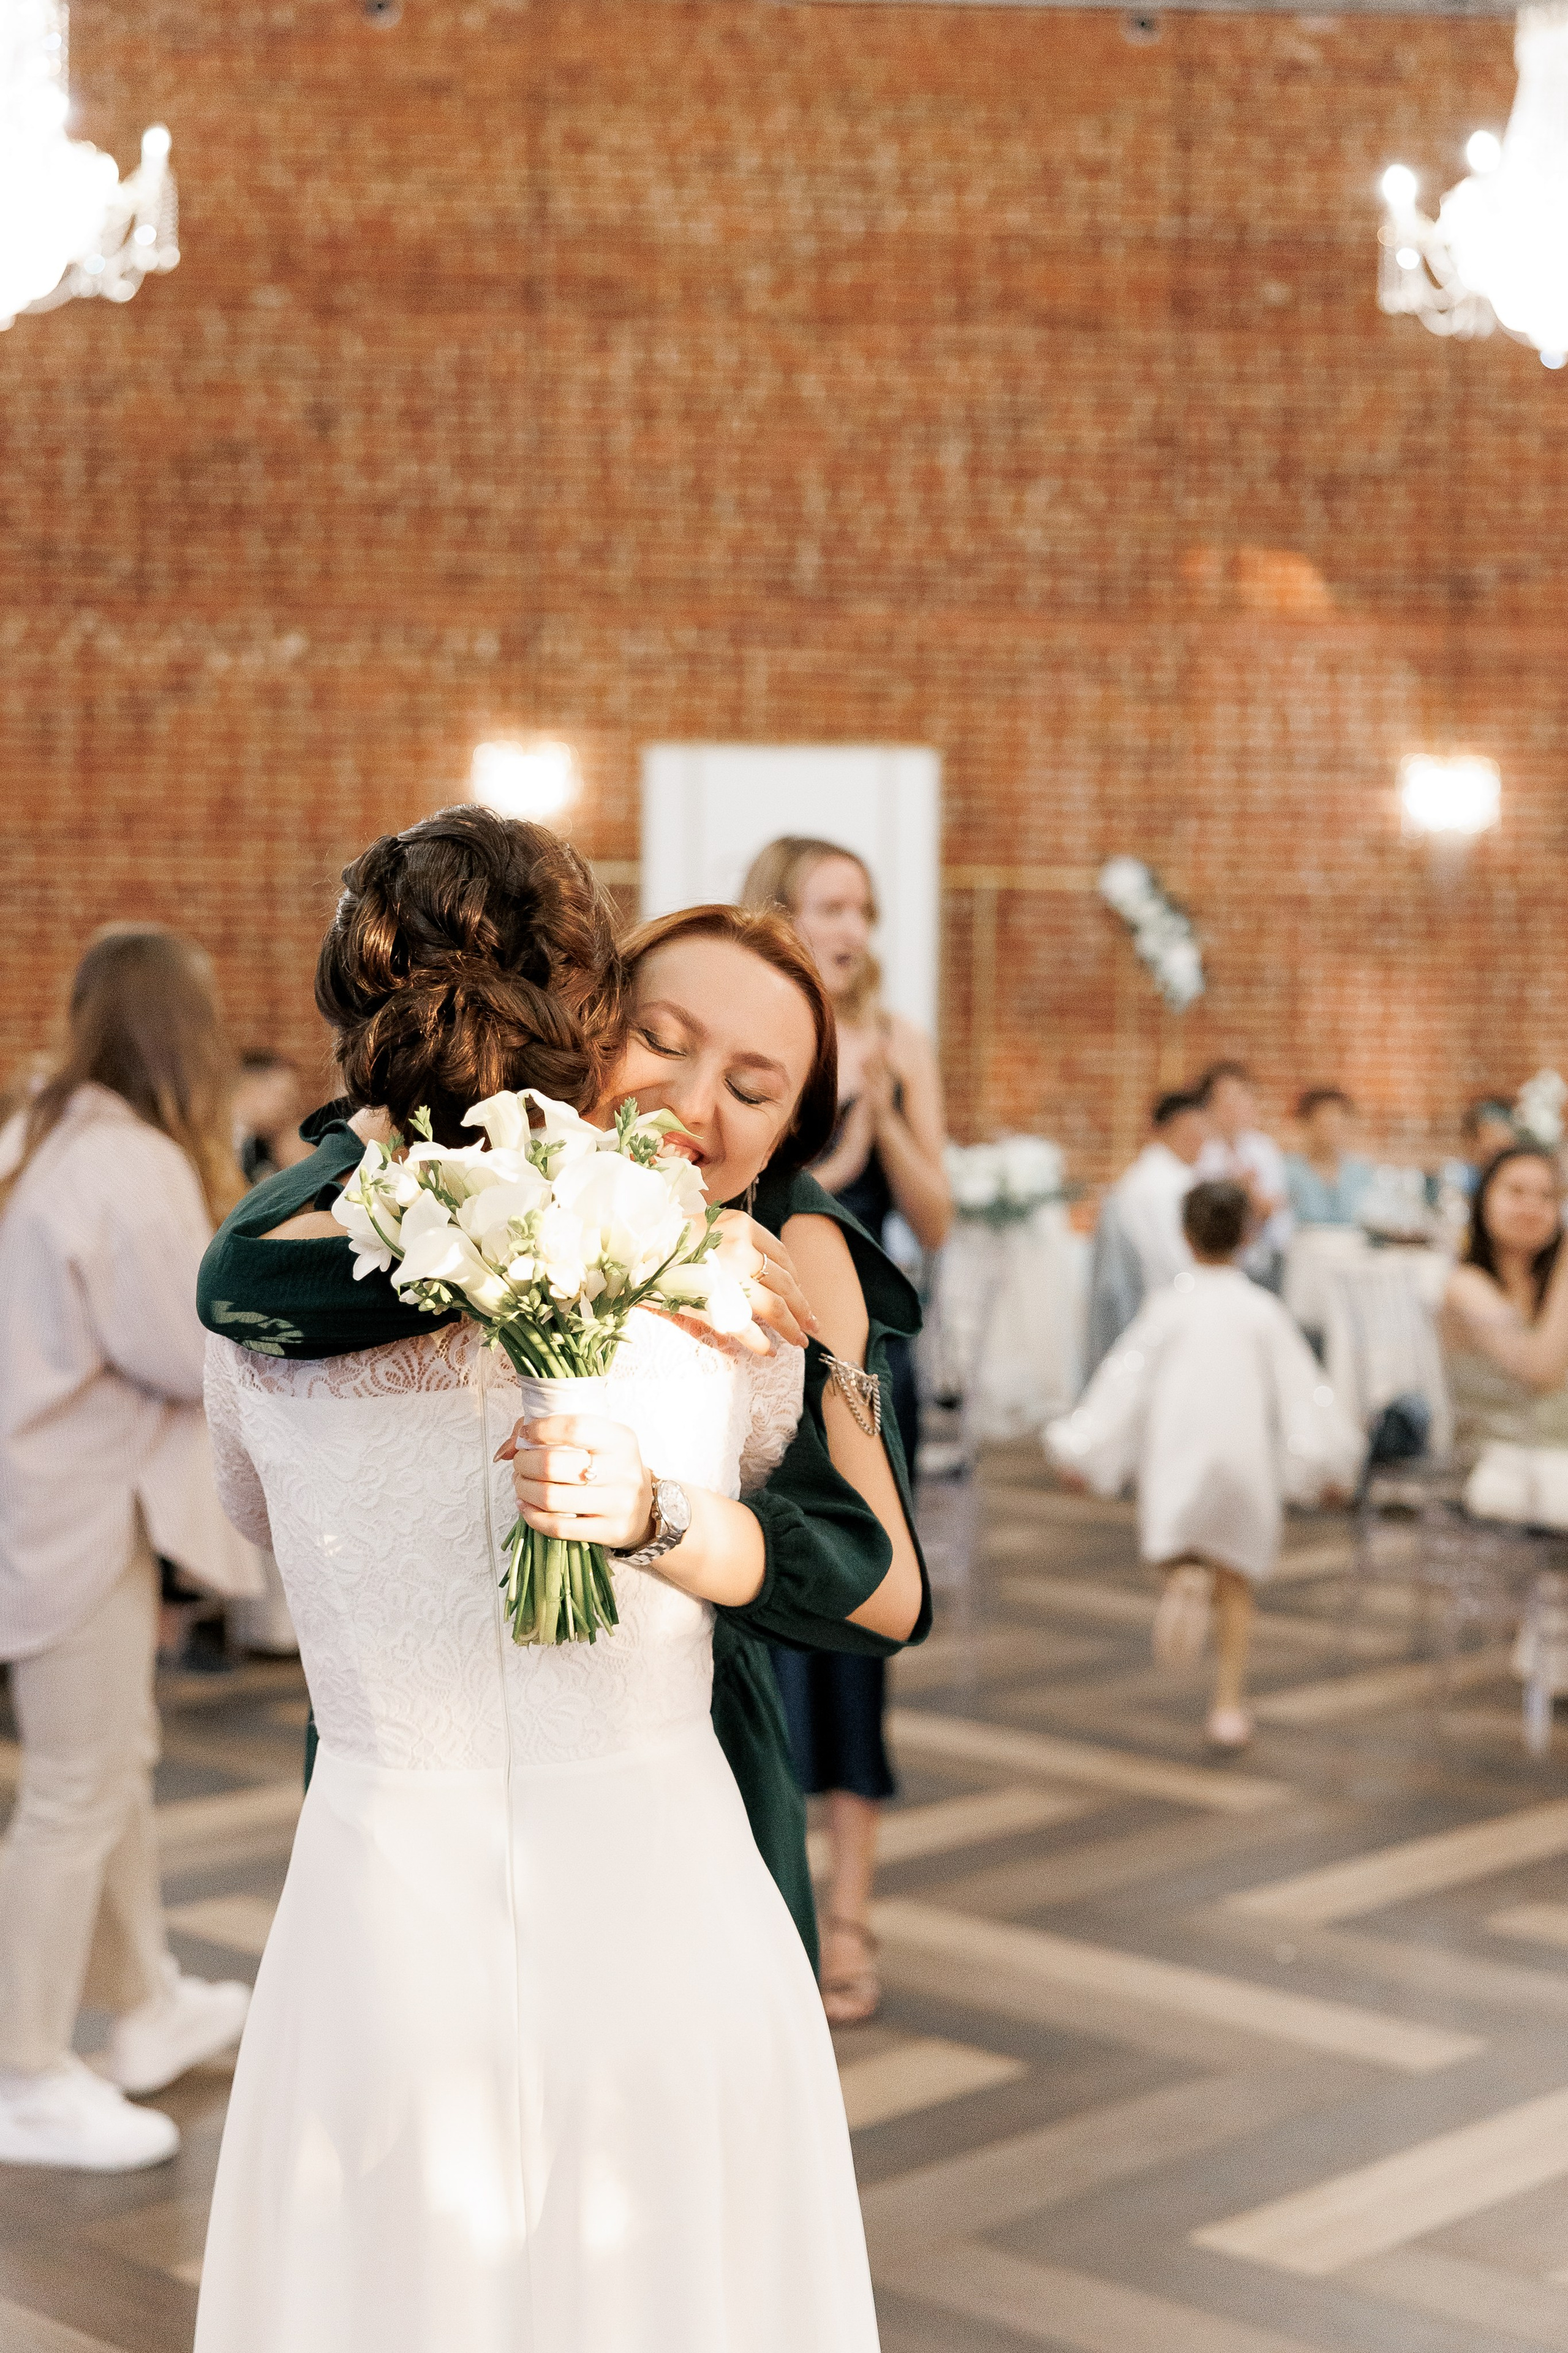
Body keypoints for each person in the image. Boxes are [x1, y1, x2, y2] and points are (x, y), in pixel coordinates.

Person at [193, 817, 919, 2349]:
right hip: (609, 1868)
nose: (692, 1103)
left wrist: (657, 1509)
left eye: (753, 1087)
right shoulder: (695, 1284)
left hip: (425, 1872)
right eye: (661, 1039)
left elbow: (248, 1515)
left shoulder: (756, 1259)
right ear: (589, 1020)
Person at [0, 927, 260, 2173]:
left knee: (109, 1761)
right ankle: (23, 2071)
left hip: (50, 1493)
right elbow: (179, 1339)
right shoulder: (131, 1159)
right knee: (72, 1788)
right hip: (80, 1506)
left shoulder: (40, 1135)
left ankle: (146, 2002)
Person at [742, 834, 949, 2025]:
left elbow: (937, 1217)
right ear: (781, 913)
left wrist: (887, 1106)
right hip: (750, 1349)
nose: (852, 930)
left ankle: (854, 1912)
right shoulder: (749, 1039)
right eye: (830, 906)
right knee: (754, 1636)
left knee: (859, 1623)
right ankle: (767, 1908)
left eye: (863, 909)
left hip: (857, 1367)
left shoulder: (897, 1041)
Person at [1046, 1180, 1362, 1750]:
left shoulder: (1167, 1308)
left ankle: (1185, 1577)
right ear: (1248, 1235)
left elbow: (1124, 1383)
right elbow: (1303, 1391)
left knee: (1181, 1544)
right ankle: (1228, 1706)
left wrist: (1084, 1452)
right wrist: (1326, 1466)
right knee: (1236, 1581)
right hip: (1244, 1458)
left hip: (1179, 1454)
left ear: (1184, 1234)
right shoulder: (1263, 1310)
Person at [1441, 1144, 1568, 1464]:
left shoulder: (1549, 1289)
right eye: (1516, 1192)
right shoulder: (1465, 1285)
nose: (1531, 1207)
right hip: (1496, 1463)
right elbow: (1538, 1372)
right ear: (1483, 1199)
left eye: (1546, 1196)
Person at [1083, 1090, 1207, 1377]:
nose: (1202, 1142)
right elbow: (1172, 1259)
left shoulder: (1165, 1177)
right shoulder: (1159, 1185)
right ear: (1173, 1129)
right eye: (1195, 1132)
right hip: (1161, 1306)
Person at [1194, 1060, 1292, 1289]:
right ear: (1209, 1105)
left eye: (1244, 1096)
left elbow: (1276, 1205)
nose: (1239, 1106)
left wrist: (1255, 1201)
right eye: (1230, 1098)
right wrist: (1239, 1192)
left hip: (1264, 1259)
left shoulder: (1262, 1148)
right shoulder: (1199, 1150)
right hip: (1215, 1264)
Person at [1285, 1087, 1375, 1228]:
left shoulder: (1361, 1172)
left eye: (1339, 1120)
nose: (1333, 1128)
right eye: (1326, 1120)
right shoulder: (1289, 1171)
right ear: (1307, 1123)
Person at [233, 1049, 314, 1185]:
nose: (290, 1111)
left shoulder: (259, 1144)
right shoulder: (226, 1142)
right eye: (285, 1097)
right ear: (250, 1088)